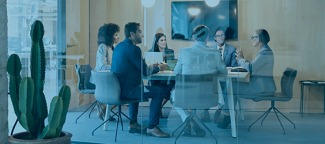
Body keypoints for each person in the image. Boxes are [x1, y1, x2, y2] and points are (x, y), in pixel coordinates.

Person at [111, 22, 170, 138]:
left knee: (138, 85)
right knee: (159, 92)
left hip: (117, 89)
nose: (142, 35)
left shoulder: (119, 47)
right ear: (132, 34)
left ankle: (133, 124)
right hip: (127, 91)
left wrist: (152, 66)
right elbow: (146, 72)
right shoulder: (134, 49)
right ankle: (152, 127)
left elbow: (135, 67)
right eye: (140, 32)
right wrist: (159, 67)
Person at [171, 25, 228, 137]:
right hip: (208, 97)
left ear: (193, 37)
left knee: (173, 96)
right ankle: (191, 123)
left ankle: (188, 121)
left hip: (187, 95)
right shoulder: (214, 53)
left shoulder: (183, 52)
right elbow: (224, 73)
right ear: (207, 38)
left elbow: (177, 72)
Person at [217, 29, 276, 129]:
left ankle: (226, 115)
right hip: (261, 87)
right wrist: (242, 60)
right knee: (232, 87)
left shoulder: (264, 53)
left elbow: (251, 67)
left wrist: (241, 60)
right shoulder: (265, 51)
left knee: (231, 87)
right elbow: (254, 65)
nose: (252, 39)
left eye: (254, 37)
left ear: (259, 39)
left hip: (260, 89)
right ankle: (227, 115)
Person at [201, 26, 238, 123]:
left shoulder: (232, 49)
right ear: (215, 38)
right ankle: (205, 112)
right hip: (213, 78)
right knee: (205, 86)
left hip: (226, 78)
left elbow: (234, 66)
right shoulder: (210, 49)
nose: (220, 37)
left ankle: (218, 111)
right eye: (218, 36)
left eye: (222, 35)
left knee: (228, 87)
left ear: (225, 36)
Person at [90, 23, 120, 121]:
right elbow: (103, 66)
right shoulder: (103, 46)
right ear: (109, 36)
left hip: (107, 76)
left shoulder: (112, 47)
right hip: (100, 78)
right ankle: (103, 110)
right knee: (120, 93)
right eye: (115, 35)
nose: (118, 37)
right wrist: (116, 67)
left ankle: (104, 111)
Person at [148, 33, 175, 118]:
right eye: (162, 40)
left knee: (173, 82)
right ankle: (158, 107)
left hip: (167, 77)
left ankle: (159, 106)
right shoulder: (151, 52)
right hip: (156, 78)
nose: (164, 42)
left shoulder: (170, 51)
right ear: (157, 42)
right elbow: (147, 66)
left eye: (165, 40)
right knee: (161, 86)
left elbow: (172, 65)